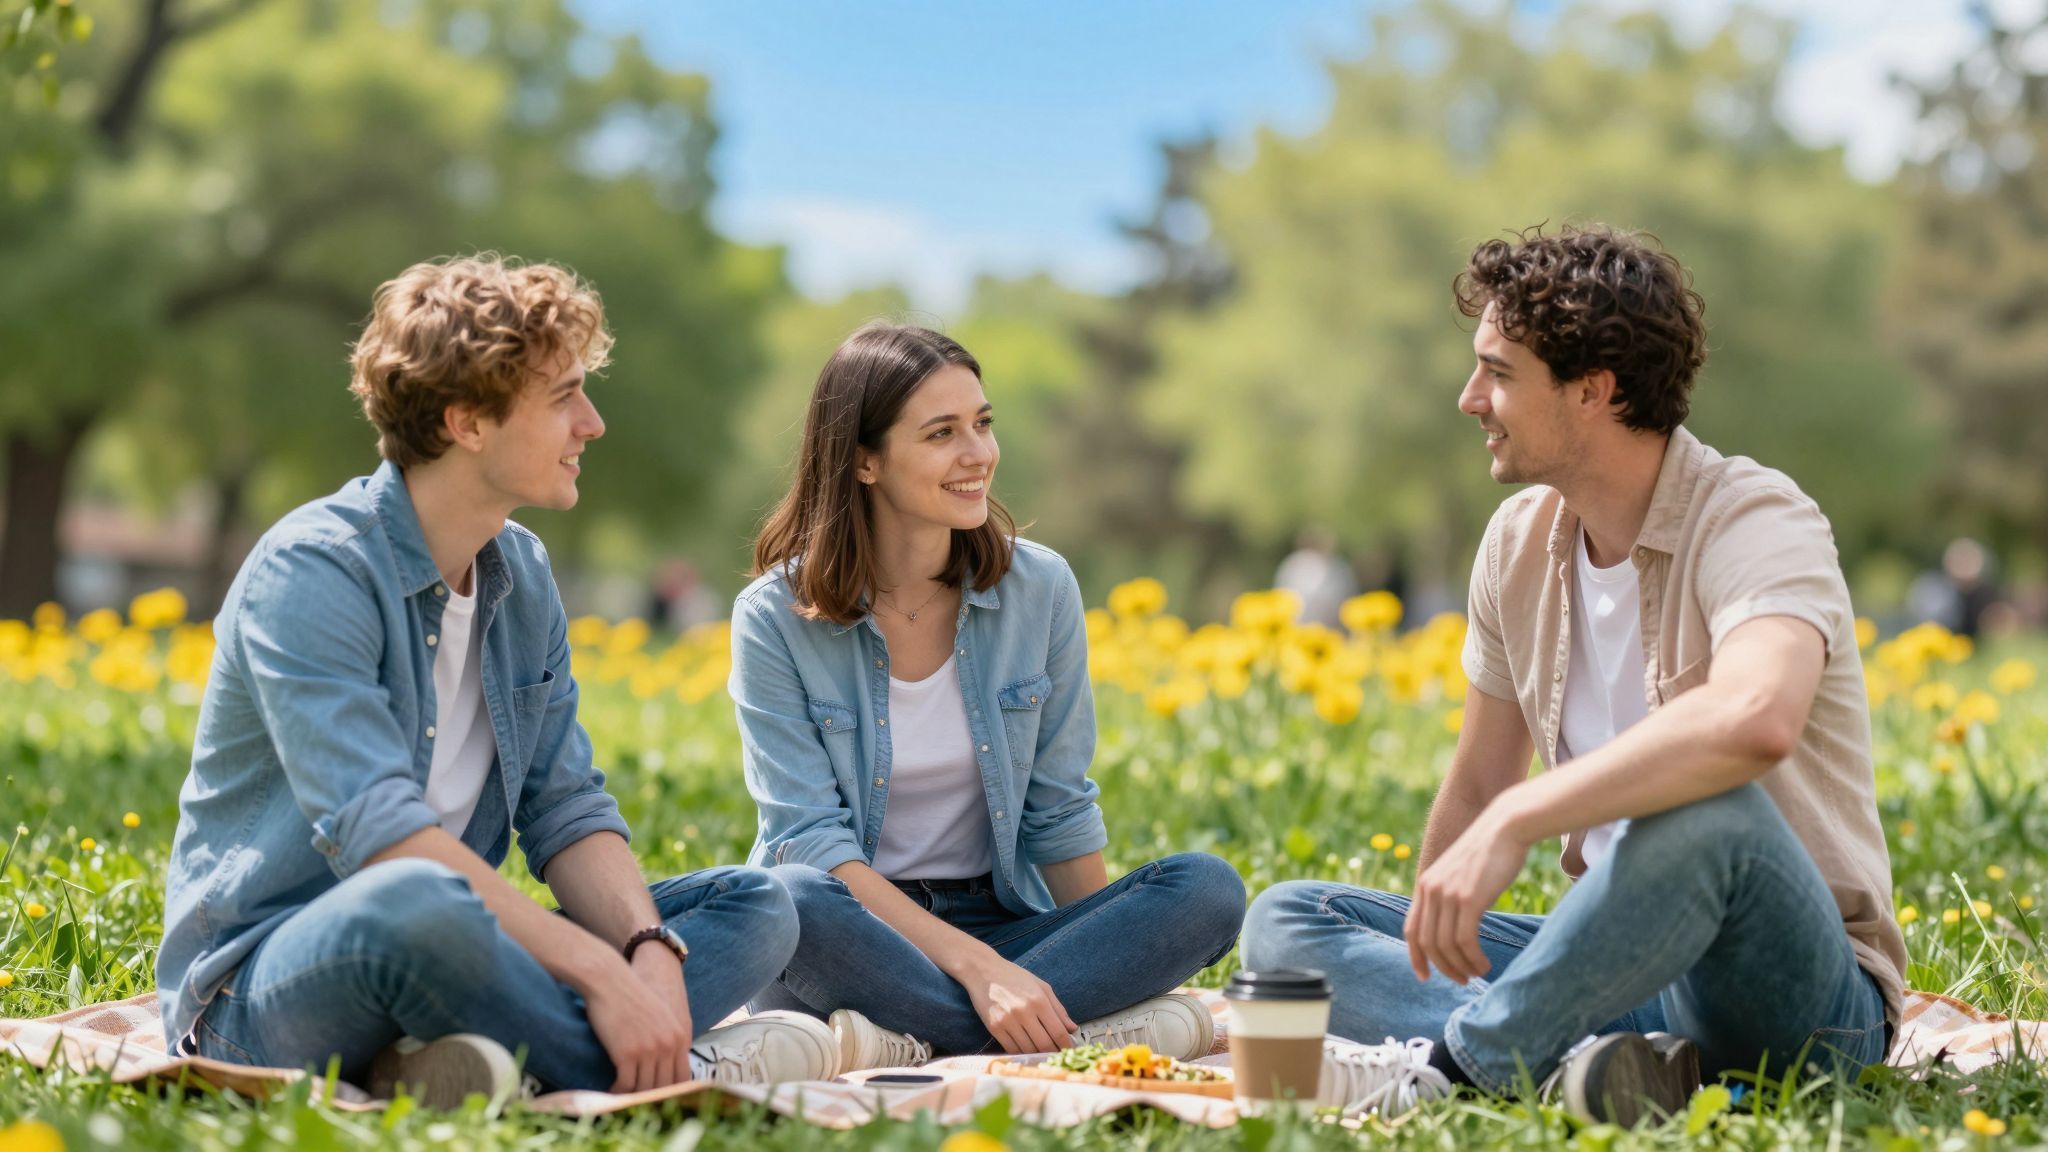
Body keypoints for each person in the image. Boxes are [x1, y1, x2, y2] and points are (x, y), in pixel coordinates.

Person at [1243, 225, 1905, 1124]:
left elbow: (1755, 717)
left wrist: (1530, 812)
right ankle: (1594, 1063)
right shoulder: (1517, 544)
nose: (1469, 397)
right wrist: (1433, 935)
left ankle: (1456, 1067)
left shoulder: (1757, 517)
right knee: (1288, 925)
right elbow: (1481, 780)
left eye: (1500, 373)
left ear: (1594, 390)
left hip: (1796, 993)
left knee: (1704, 807)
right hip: (1618, 963)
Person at [158, 255, 836, 1108]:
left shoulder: (521, 573)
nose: (592, 424)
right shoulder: (314, 570)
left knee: (759, 904)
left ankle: (454, 1059)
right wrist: (599, 972)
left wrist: (646, 951)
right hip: (269, 986)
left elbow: (566, 807)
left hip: (464, 950)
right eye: (563, 398)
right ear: (467, 421)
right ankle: (681, 1073)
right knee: (417, 901)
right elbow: (382, 837)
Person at [732, 324, 1245, 1070]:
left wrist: (1105, 944)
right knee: (791, 898)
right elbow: (809, 841)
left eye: (982, 423)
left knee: (1207, 888)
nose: (979, 454)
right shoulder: (774, 617)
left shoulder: (1040, 589)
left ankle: (915, 1040)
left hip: (1004, 923)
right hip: (854, 933)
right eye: (942, 433)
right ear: (863, 460)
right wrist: (982, 973)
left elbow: (1059, 809)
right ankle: (1030, 1029)